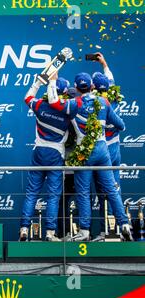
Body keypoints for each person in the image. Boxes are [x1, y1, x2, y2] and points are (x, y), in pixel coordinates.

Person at [47, 72, 133, 241]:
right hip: (102, 150)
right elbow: (121, 126)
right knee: (111, 190)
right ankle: (124, 224)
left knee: (84, 192)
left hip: (84, 153)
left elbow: (52, 101)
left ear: (76, 87)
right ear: (92, 86)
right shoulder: (104, 101)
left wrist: (52, 81)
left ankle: (85, 231)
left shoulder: (73, 103)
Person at [19, 77, 73, 241]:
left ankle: (24, 229)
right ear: (64, 93)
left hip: (39, 151)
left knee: (31, 194)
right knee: (53, 195)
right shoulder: (68, 112)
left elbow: (27, 97)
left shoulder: (40, 105)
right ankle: (50, 232)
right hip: (55, 154)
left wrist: (37, 83)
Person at [91, 53, 124, 241]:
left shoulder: (94, 103)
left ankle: (106, 231)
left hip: (102, 149)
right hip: (115, 148)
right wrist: (104, 64)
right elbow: (110, 80)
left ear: (94, 87)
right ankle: (116, 231)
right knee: (114, 189)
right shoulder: (113, 97)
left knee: (103, 192)